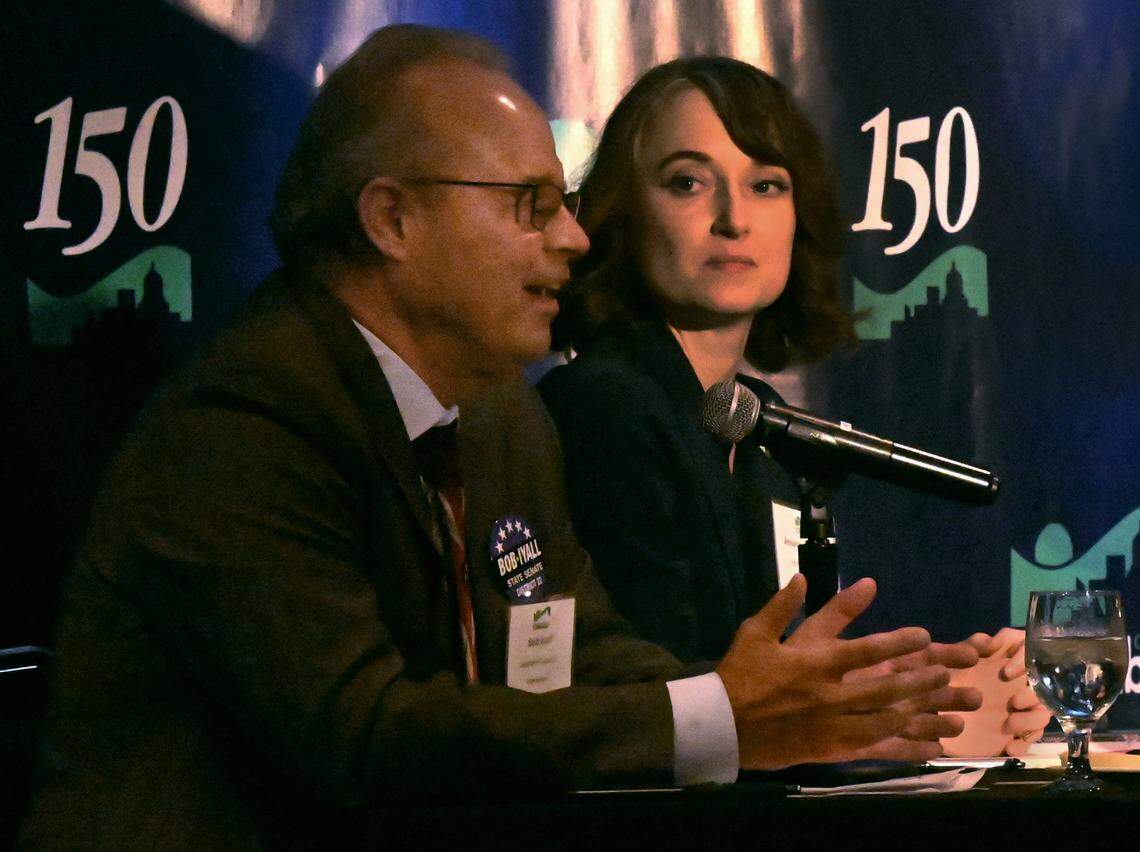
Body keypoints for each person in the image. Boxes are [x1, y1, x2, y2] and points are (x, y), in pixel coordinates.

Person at [20, 28, 980, 849]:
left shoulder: (499, 418)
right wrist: (721, 716)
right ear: (391, 218)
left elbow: (583, 657)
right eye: (530, 206)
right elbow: (364, 734)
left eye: (564, 203)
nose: (572, 238)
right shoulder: (244, 425)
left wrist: (821, 708)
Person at [539, 57, 1049, 758]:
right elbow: (661, 701)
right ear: (621, 212)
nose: (734, 219)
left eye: (767, 185)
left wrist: (945, 688)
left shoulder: (761, 422)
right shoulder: (602, 404)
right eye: (687, 183)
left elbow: (777, 679)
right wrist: (914, 732)